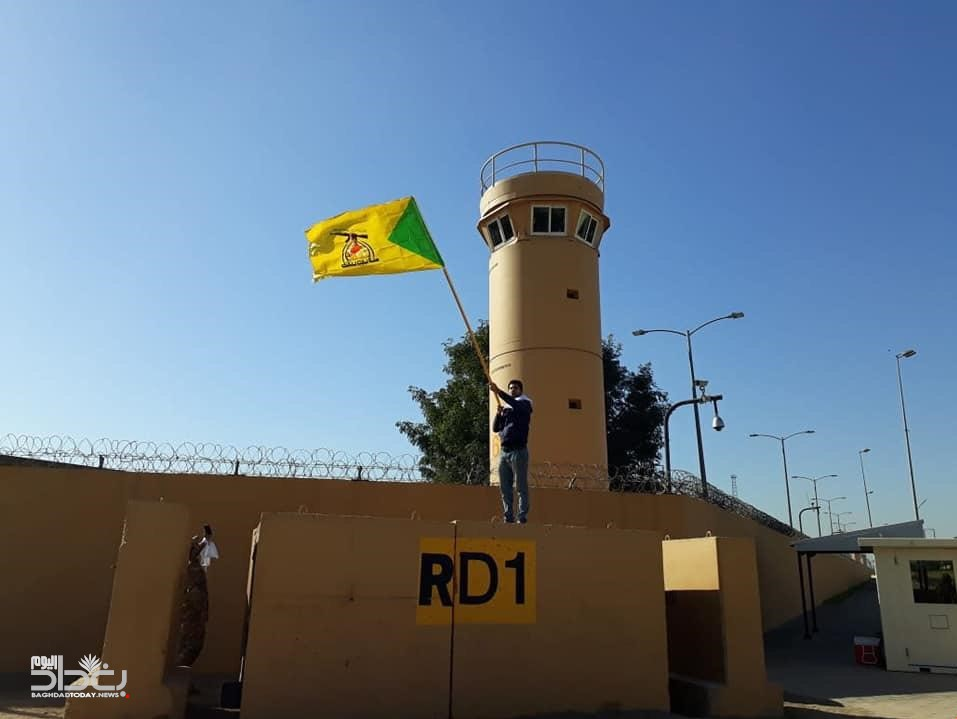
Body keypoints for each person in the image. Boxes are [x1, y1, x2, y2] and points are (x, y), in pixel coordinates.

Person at [175, 524, 218, 667]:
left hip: (195, 616)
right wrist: (201, 611)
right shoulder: (193, 568)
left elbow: (201, 546)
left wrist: (207, 538)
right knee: (191, 647)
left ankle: (182, 669)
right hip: (193, 616)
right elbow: (194, 594)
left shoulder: (195, 566)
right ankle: (180, 669)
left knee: (193, 646)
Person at [491, 379, 533, 524]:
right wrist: (498, 414)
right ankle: (508, 516)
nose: (512, 390)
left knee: (521, 486)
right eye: (510, 388)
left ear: (521, 390)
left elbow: (516, 405)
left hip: (518, 450)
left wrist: (498, 392)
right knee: (505, 487)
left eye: (515, 388)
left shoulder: (525, 404)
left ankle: (522, 516)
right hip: (505, 451)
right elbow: (496, 428)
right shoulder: (508, 408)